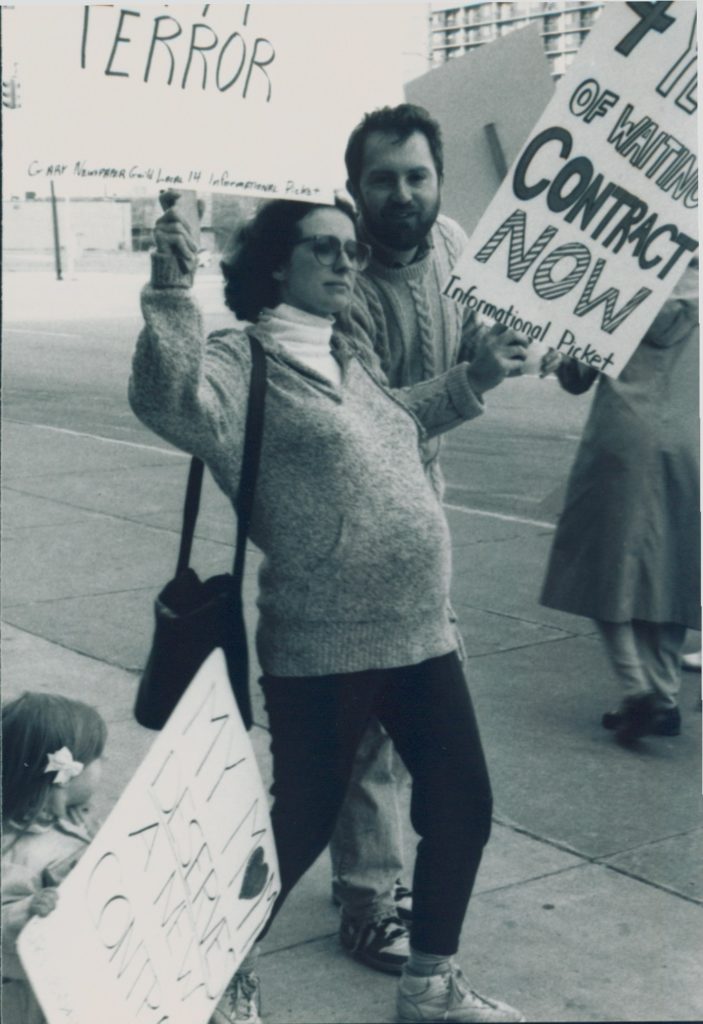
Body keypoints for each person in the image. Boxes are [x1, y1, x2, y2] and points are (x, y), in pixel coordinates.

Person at [129, 194, 528, 1024]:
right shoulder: (242, 363)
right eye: (325, 249)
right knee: (298, 827)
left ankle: (429, 983)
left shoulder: (351, 350)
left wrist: (471, 380)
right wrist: (171, 289)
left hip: (420, 628)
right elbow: (170, 403)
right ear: (278, 263)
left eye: (351, 249)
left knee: (461, 802)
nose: (348, 262)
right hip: (324, 641)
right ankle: (213, 980)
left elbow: (396, 426)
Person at [329, 102, 529, 973]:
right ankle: (369, 899)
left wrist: (526, 344)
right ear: (353, 189)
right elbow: (370, 428)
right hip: (342, 519)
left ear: (437, 180)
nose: (402, 193)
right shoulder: (335, 282)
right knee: (372, 710)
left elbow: (492, 319)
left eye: (416, 175)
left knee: (407, 700)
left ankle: (364, 870)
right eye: (383, 179)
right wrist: (470, 378)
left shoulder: (451, 244)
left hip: (424, 506)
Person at [540, 261, 700, 745]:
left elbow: (575, 377)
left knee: (602, 563)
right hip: (688, 444)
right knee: (670, 569)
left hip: (621, 440)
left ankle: (636, 689)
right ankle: (664, 694)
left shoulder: (619, 286)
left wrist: (562, 346)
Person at [2, 692, 107, 1024]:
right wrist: (28, 911)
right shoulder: (17, 847)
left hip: (78, 968)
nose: (104, 764)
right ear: (66, 774)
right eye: (98, 756)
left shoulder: (79, 815)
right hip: (32, 995)